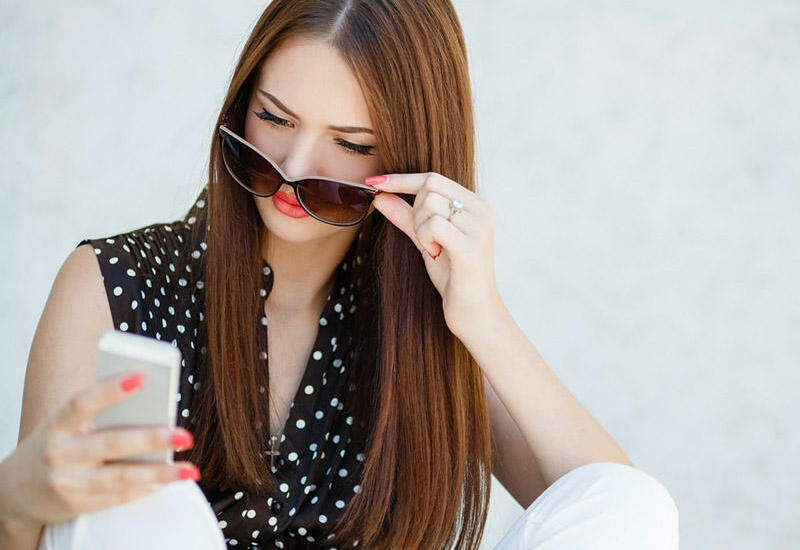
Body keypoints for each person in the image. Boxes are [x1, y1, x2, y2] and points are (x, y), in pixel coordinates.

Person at [0, 1, 680, 549]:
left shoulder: (426, 321)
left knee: (639, 502)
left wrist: (483, 317)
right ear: (240, 105)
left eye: (350, 144)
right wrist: (17, 496)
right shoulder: (113, 283)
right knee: (146, 496)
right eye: (274, 117)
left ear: (410, 158)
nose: (295, 167)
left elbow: (610, 509)